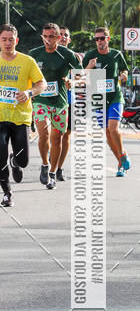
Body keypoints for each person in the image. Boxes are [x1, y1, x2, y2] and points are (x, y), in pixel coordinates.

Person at [30, 22, 81, 190]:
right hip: (40, 101)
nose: (47, 40)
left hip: (60, 102)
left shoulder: (67, 54)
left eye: (51, 36)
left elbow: (82, 76)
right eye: (45, 36)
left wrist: (72, 81)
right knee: (43, 133)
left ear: (59, 38)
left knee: (57, 137)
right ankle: (45, 164)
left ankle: (52, 172)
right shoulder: (34, 54)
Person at [0, 24, 46, 207]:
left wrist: (28, 93)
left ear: (17, 41)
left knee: (24, 160)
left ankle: (16, 161)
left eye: (11, 39)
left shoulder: (27, 61)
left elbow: (41, 84)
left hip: (21, 117)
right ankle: (7, 193)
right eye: (4, 39)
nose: (8, 43)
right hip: (1, 116)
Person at [82, 27, 130, 177]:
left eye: (102, 38)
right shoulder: (90, 56)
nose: (99, 41)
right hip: (98, 99)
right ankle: (120, 164)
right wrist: (89, 67)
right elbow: (80, 77)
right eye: (96, 39)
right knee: (108, 133)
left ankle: (122, 155)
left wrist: (123, 76)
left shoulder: (116, 54)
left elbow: (124, 70)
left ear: (108, 39)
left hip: (115, 97)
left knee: (113, 128)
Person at [56, 26, 83, 182]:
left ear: (69, 39)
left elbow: (82, 78)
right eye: (60, 35)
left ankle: (59, 168)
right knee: (51, 136)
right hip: (51, 100)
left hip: (70, 100)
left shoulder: (75, 57)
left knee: (66, 134)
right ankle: (48, 162)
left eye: (66, 35)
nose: (63, 37)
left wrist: (72, 81)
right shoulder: (47, 54)